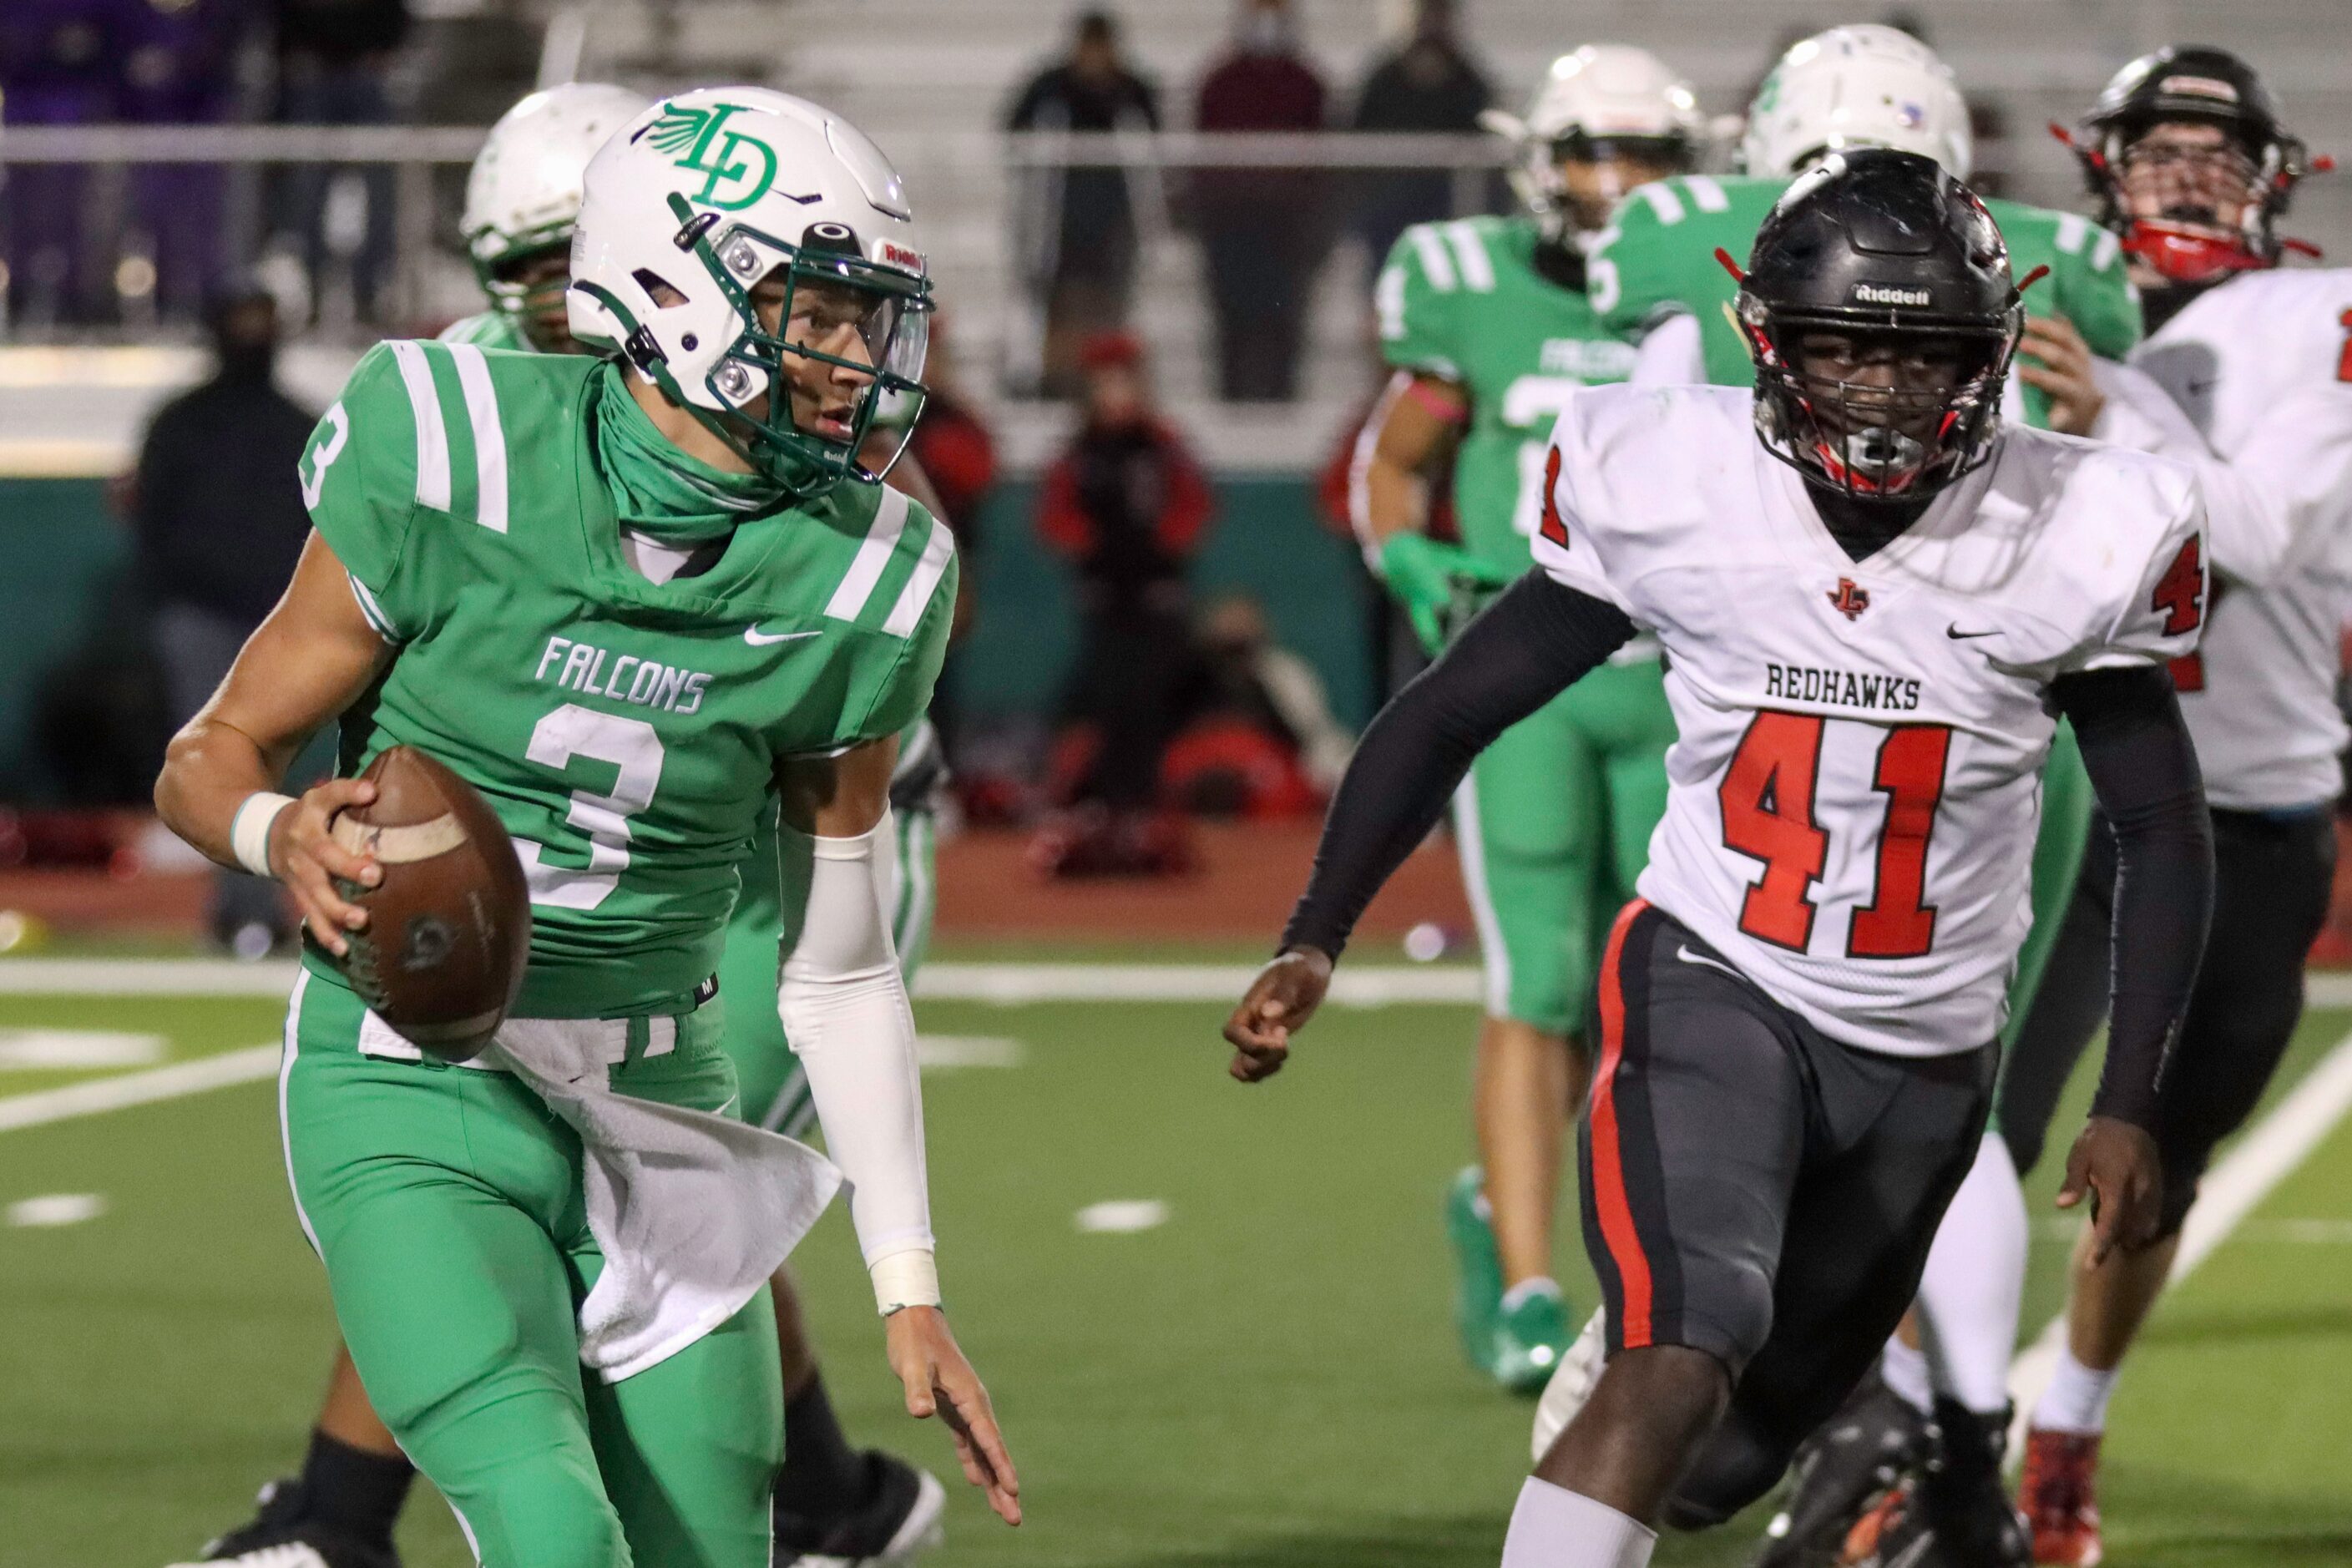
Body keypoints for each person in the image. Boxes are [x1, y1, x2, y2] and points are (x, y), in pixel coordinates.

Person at [1222, 150, 2213, 1568]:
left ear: (1987, 355)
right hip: (1716, 978)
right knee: (1682, 1357)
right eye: (1845, 350)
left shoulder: (2080, 524)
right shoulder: (1670, 476)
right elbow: (1455, 702)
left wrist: (2127, 1095)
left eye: (1922, 353)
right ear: (1767, 341)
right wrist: (1317, 925)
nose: (1881, 393)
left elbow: (2160, 821)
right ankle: (1644, 1345)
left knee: (1718, 1467)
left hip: (1926, 1051)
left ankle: (1640, 1368)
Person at [152, 87, 1019, 1568]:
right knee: (555, 1528)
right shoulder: (449, 439)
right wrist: (278, 829)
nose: (855, 357)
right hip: (414, 1076)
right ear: (674, 291)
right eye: (817, 310)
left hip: (663, 1091)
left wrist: (909, 1280)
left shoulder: (872, 574)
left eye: (870, 316)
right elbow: (207, 751)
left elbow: (841, 966)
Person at [1555, 32, 2148, 1556]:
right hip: (1967, 682)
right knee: (1940, 1057)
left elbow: (1667, 417)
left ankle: (1890, 1408)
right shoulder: (2053, 259)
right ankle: (1943, 1432)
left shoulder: (1696, 257)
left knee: (1876, 1033)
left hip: (1937, 679)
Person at [1973, 48, 2352, 1567]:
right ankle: (1905, 1421)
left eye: (2218, 151)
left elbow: (2254, 531)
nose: (2188, 174)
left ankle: (2063, 1416)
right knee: (1957, 1133)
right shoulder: (2031, 300)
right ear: (2102, 171)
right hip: (2040, 784)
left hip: (2243, 796)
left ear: (2271, 179)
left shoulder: (2317, 317)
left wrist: (2109, 395)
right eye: (2161, 150)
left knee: (2158, 1155)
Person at [1354, 43, 1700, 1393]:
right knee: (1540, 979)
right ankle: (1523, 1281)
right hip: (1530, 674)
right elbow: (1392, 457)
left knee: (1659, 997)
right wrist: (1402, 555)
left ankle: (1612, 1250)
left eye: (1646, 160)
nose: (1613, 186)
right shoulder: (1468, 283)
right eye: (1588, 154)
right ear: (1535, 158)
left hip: (1679, 672)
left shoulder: (1723, 291)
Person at [131, 286, 316, 959]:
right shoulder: (181, 422)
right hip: (203, 617)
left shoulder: (298, 423)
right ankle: (247, 913)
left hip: (285, 624)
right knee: (215, 765)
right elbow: (151, 521)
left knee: (269, 765)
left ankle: (255, 910)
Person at [1030, 331, 1214, 875]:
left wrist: (1161, 544)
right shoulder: (1081, 452)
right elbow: (1054, 517)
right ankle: (1110, 808)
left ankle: (1143, 807)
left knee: (1148, 700)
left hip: (1156, 593)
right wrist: (1090, 546)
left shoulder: (1160, 447)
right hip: (1104, 594)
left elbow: (1194, 507)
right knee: (1110, 700)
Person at [1005, 8, 1161, 397]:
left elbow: (1153, 137)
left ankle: (1097, 388)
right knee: (1060, 312)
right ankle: (1055, 384)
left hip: (1110, 230)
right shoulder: (1051, 87)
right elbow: (1016, 127)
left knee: (1104, 313)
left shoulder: (1130, 90)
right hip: (1059, 230)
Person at [1192, 0, 1330, 402]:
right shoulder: (1221, 81)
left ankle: (1281, 398)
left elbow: (1321, 157)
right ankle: (1231, 397)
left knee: (1282, 319)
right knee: (1233, 318)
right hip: (1231, 221)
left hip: (1287, 224)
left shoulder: (1305, 82)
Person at [272, 0, 410, 324]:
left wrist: (387, 49)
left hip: (368, 76)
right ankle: (313, 293)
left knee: (379, 199)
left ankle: (369, 294)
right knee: (306, 196)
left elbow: (397, 16)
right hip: (313, 78)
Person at [1346, 0, 1495, 272]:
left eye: (1440, 16)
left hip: (1443, 206)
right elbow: (1359, 136)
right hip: (1388, 205)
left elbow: (1483, 133)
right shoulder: (1385, 76)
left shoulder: (1467, 79)